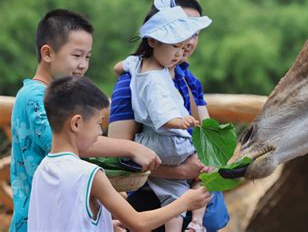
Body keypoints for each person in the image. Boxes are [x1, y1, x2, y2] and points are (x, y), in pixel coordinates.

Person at [9, 9, 161, 232]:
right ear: (48, 53)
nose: (83, 64)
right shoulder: (34, 96)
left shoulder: (54, 95)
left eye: (87, 57)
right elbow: (70, 140)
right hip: (37, 221)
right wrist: (130, 148)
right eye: (76, 55)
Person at [109, 0, 229, 232]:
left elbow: (207, 136)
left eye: (193, 32)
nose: (187, 40)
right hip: (152, 209)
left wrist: (209, 164)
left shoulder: (188, 80)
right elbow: (116, 155)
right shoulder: (132, 82)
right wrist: (181, 171)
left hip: (196, 207)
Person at [28, 76, 211, 231]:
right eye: (99, 124)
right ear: (76, 123)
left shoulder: (42, 170)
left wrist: (107, 224)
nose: (100, 133)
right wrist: (185, 202)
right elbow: (139, 223)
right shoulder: (90, 174)